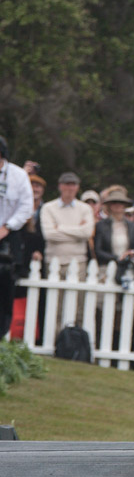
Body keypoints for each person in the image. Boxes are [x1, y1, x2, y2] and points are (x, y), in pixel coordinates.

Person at [0, 136, 34, 336]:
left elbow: (26, 207)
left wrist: (7, 227)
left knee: (5, 289)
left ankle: (2, 333)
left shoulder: (18, 175)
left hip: (9, 236)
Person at [40, 172, 94, 282]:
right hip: (53, 260)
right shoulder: (48, 207)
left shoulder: (85, 208)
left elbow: (87, 233)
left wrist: (59, 228)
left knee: (77, 298)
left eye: (73, 184)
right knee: (54, 298)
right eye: (67, 184)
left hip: (78, 261)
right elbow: (49, 235)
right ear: (60, 186)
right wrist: (77, 231)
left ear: (77, 187)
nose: (70, 188)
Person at [93, 189, 134, 285]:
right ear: (109, 205)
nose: (118, 205)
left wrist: (129, 257)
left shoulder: (132, 226)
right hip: (107, 268)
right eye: (114, 202)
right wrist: (118, 258)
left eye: (121, 203)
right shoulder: (101, 225)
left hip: (127, 269)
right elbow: (98, 250)